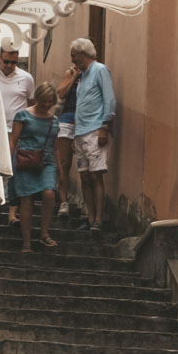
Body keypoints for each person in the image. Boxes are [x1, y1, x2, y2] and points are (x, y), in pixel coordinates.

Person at [67, 37, 115, 230]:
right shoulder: (83, 75)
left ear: (83, 54)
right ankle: (89, 216)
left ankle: (98, 219)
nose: (72, 60)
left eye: (74, 56)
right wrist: (74, 134)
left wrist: (105, 126)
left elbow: (109, 99)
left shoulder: (100, 70)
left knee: (96, 176)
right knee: (84, 176)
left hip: (95, 130)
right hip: (80, 132)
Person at [6, 82, 60, 251]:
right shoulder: (22, 116)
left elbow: (56, 146)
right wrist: (8, 163)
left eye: (50, 101)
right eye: (44, 101)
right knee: (27, 200)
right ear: (37, 98)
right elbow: (13, 140)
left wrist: (61, 171)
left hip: (47, 162)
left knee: (49, 193)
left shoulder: (54, 120)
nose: (47, 105)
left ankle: (44, 234)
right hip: (24, 161)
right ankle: (27, 242)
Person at [0, 45, 35, 223]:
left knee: (15, 170)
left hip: (18, 131)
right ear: (0, 58)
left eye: (14, 62)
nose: (9, 65)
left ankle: (11, 209)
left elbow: (32, 104)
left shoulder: (26, 78)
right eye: (6, 61)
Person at [53, 63, 80, 217]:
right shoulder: (70, 73)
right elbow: (61, 93)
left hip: (85, 121)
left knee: (87, 169)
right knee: (63, 164)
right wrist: (74, 77)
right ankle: (64, 202)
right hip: (67, 118)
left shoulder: (95, 73)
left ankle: (86, 207)